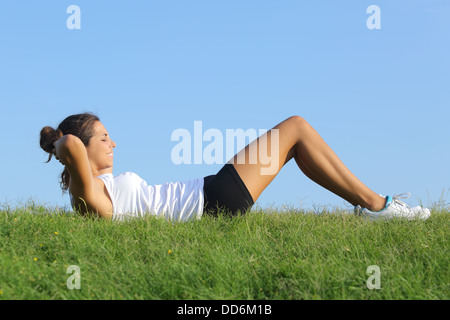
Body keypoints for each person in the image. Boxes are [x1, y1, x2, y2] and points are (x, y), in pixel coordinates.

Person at [39, 113, 430, 221]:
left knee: (296, 143)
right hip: (213, 199)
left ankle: (372, 206)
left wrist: (59, 143)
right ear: (82, 149)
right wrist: (57, 141)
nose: (113, 142)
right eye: (104, 137)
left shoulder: (98, 188)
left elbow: (74, 145)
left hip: (212, 193)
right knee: (296, 129)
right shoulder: (88, 198)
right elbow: (71, 144)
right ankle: (377, 206)